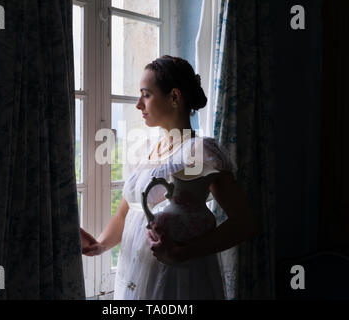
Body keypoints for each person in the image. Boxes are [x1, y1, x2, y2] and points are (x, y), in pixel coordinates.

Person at [80, 55, 258, 300]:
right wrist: (99, 245)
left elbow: (244, 223)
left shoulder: (200, 152)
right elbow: (125, 213)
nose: (138, 105)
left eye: (146, 94)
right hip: (134, 273)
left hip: (178, 279)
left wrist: (181, 253)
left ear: (174, 97)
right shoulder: (144, 150)